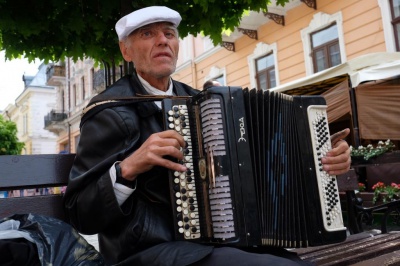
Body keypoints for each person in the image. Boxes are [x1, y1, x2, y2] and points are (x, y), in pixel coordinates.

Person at [63, 6, 351, 266]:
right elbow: (80, 214)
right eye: (148, 34)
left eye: (169, 33)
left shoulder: (203, 103)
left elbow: (262, 162)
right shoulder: (108, 111)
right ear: (126, 52)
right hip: (147, 252)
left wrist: (322, 158)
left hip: (214, 245)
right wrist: (128, 168)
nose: (162, 40)